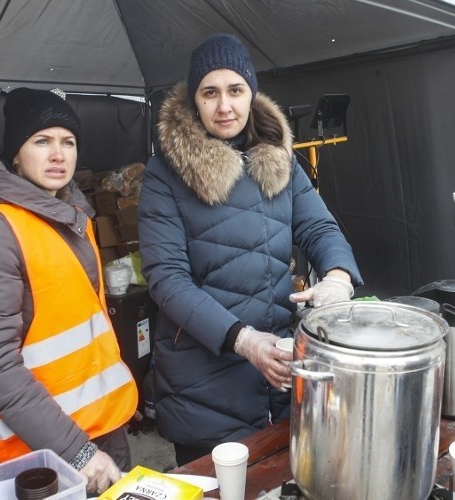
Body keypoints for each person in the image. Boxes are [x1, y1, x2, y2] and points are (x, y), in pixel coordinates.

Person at [138, 33, 363, 466]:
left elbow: (318, 226)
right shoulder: (165, 172)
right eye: (210, 93)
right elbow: (167, 279)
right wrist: (242, 341)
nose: (225, 106)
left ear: (251, 93)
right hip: (204, 386)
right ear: (194, 100)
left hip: (278, 369)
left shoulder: (279, 156)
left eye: (235, 90)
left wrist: (338, 276)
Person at [0, 87, 138, 495]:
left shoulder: (73, 217)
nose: (58, 154)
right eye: (42, 141)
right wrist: (77, 453)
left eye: (68, 142)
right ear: (15, 153)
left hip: (100, 432)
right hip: (38, 457)